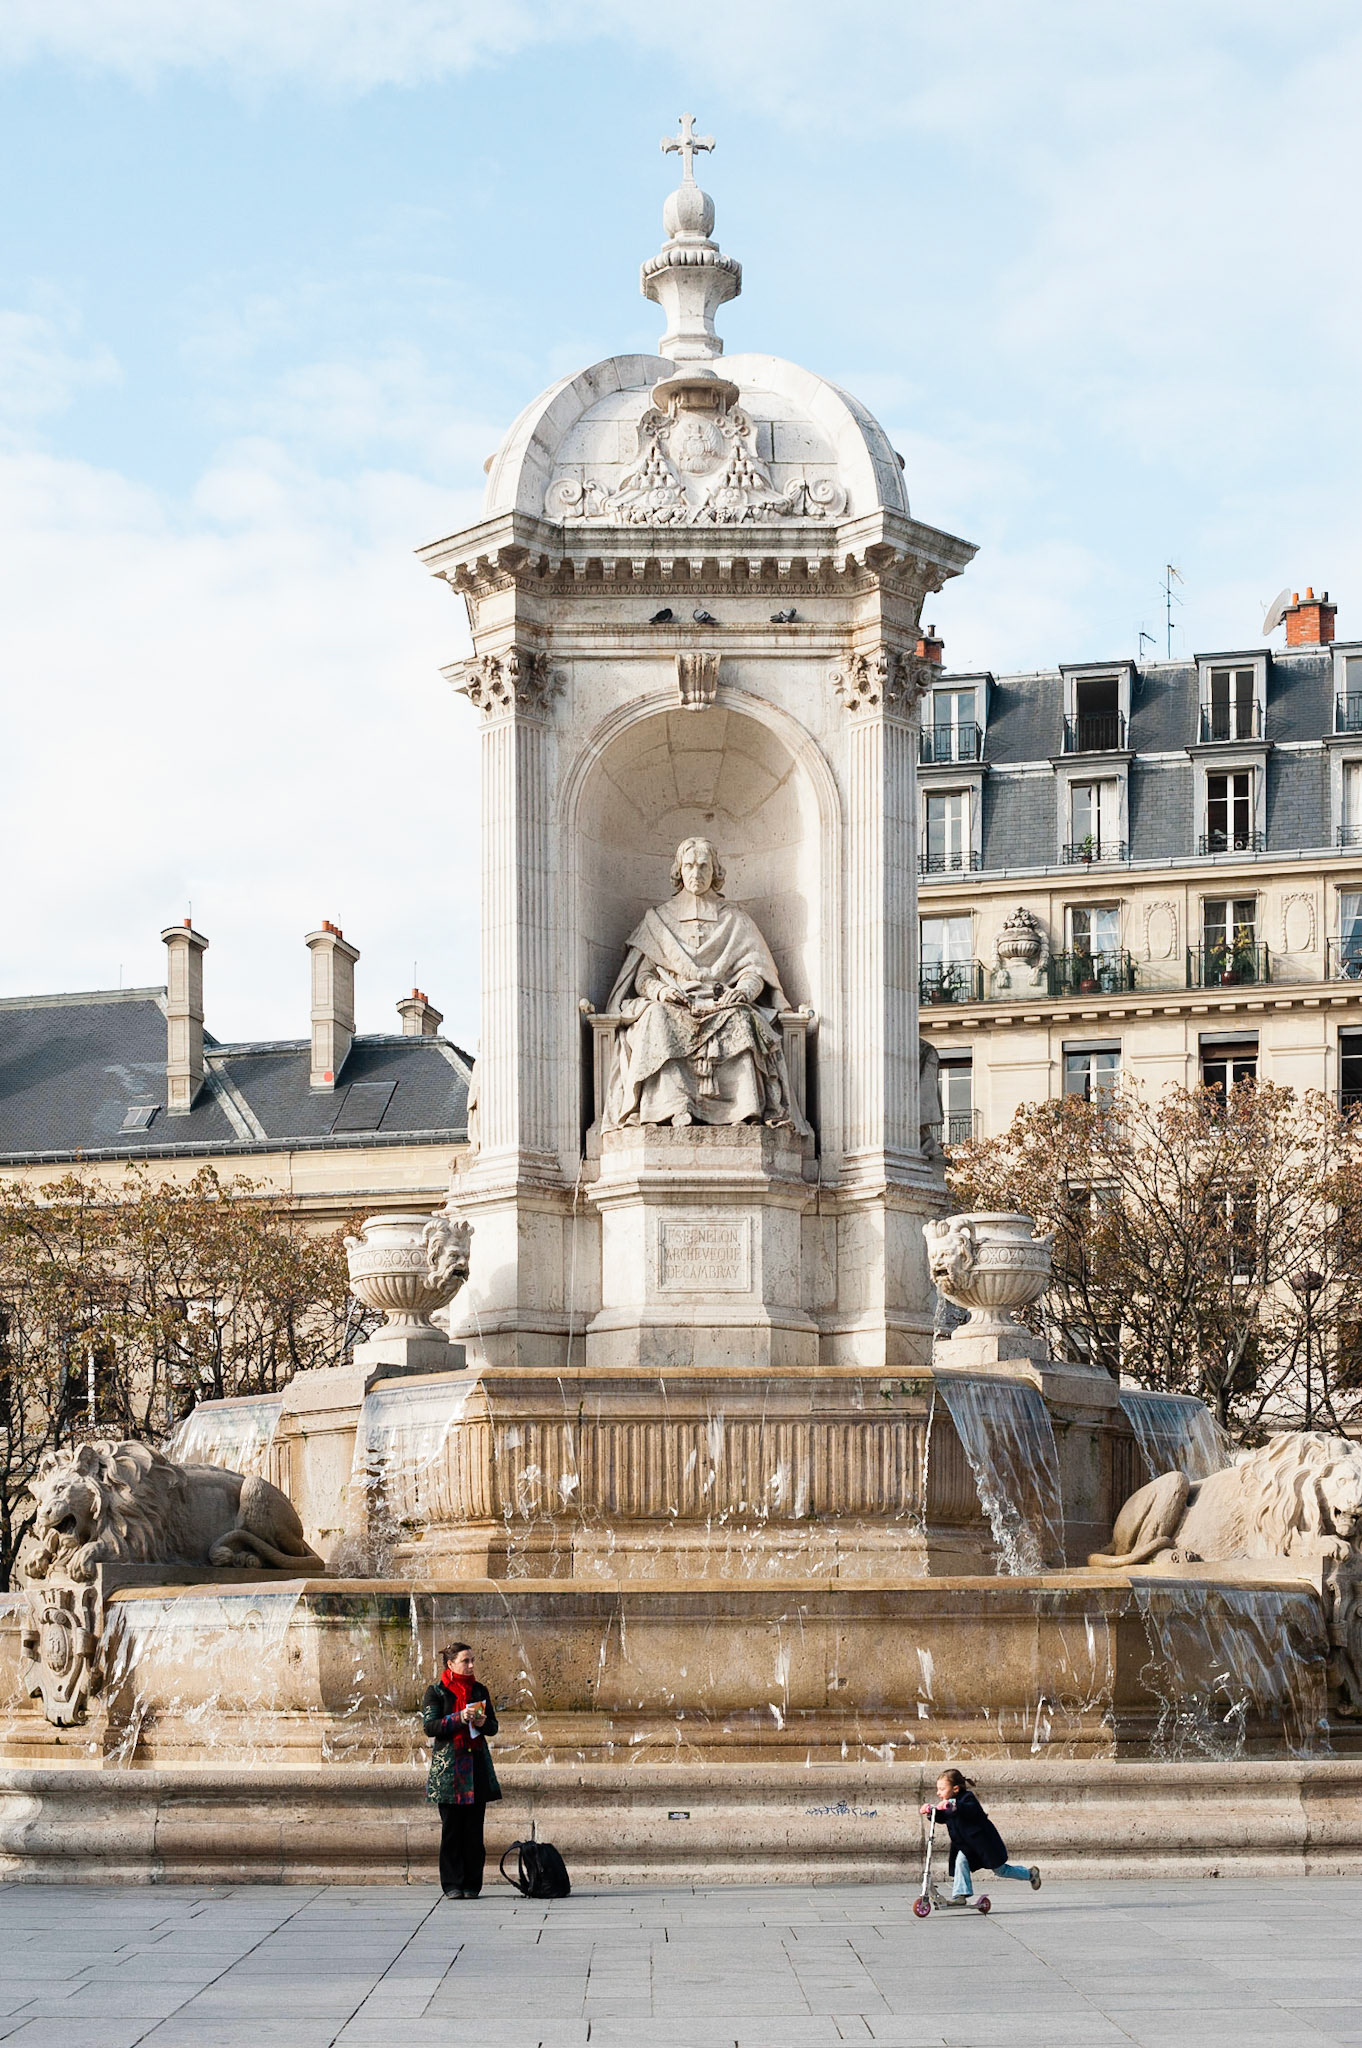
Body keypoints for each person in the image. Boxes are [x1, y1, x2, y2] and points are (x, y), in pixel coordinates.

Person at [604, 836, 805, 1131]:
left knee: (742, 1020)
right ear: (679, 871)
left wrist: (743, 991)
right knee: (656, 1018)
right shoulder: (658, 920)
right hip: (675, 1002)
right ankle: (670, 1107)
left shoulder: (735, 920)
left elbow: (755, 969)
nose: (695, 873)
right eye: (689, 866)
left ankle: (743, 1110)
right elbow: (642, 977)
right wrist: (662, 991)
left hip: (722, 1002)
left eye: (703, 866)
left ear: (715, 872)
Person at [422, 1640, 501, 1899]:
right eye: (465, 1661)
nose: (471, 1665)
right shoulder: (436, 1692)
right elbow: (430, 1726)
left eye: (472, 1660)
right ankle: (452, 1884)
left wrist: (482, 1721)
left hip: (475, 1765)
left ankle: (472, 1884)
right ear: (450, 1664)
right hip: (449, 1768)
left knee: (474, 1830)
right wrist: (458, 1718)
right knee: (452, 1829)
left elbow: (493, 1727)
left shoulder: (480, 1690)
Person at [920, 1768, 1041, 1904]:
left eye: (942, 1789)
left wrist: (952, 1805)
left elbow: (968, 1809)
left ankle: (1030, 1874)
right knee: (960, 1862)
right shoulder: (948, 1804)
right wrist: (931, 1812)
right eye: (938, 1789)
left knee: (1000, 1870)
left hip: (984, 1844)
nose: (938, 1793)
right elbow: (944, 1817)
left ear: (955, 1789)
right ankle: (960, 1896)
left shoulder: (967, 1799)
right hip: (966, 1846)